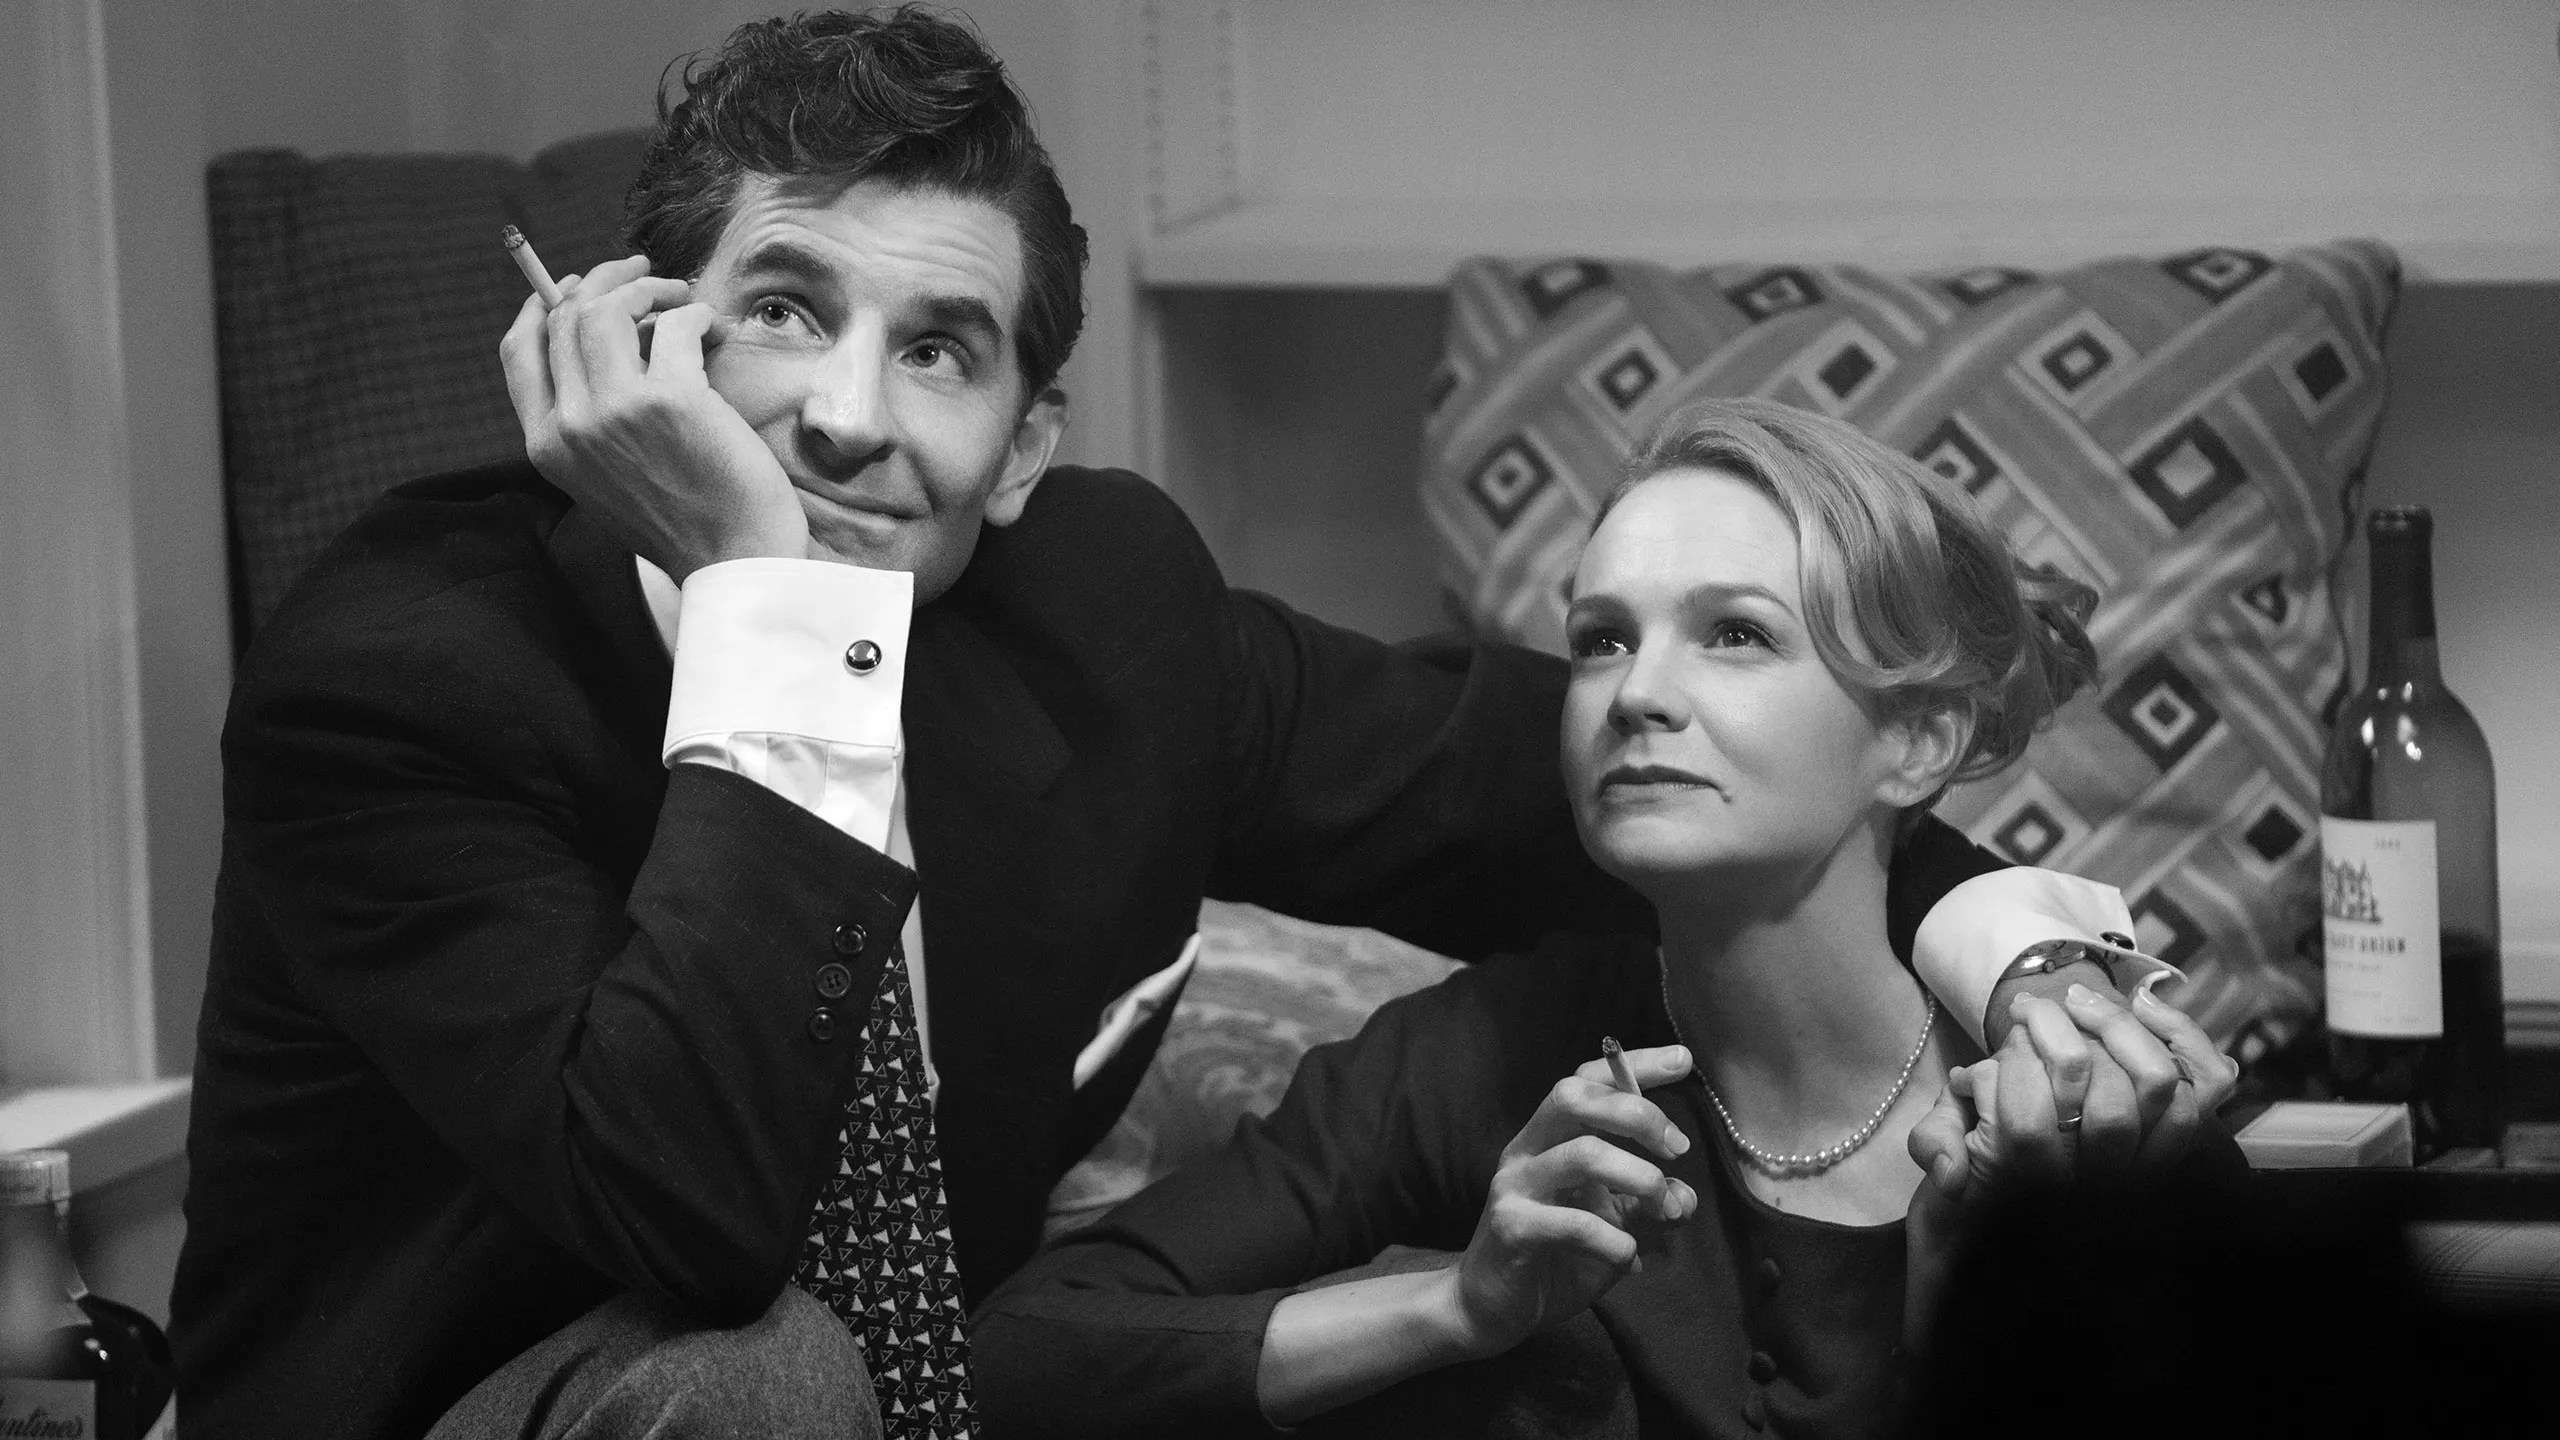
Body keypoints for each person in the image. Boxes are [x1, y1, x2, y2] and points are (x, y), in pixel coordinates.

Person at [171, 11, 2215, 1440]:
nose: (850, 415)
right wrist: (768, 606)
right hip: (499, 1399)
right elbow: (693, 1222)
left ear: (1024, 447)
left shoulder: (1102, 615)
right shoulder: (404, 678)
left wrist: (2019, 960)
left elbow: (1639, 785)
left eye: (940, 349)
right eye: (783, 310)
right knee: (768, 1376)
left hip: (914, 1397)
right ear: (641, 335)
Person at [971, 398, 2245, 1440]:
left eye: (1734, 634)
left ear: (1918, 741)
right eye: (1599, 640)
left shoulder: (2089, 1102)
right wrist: (1452, 1312)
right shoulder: (1486, 1050)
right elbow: (1020, 1353)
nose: (1637, 693)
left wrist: (1976, 1333)